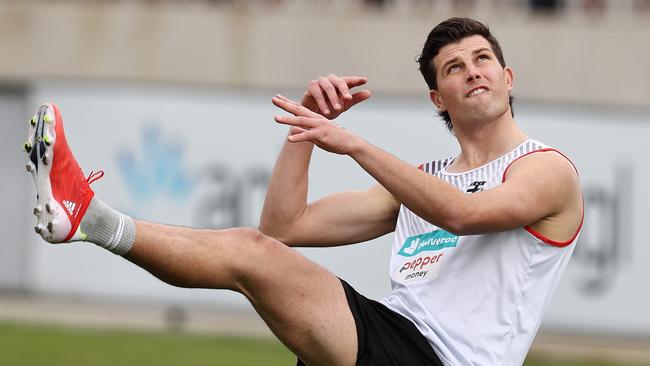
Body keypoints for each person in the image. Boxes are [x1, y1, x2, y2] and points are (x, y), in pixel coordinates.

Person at [24, 17, 582, 366]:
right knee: (252, 249)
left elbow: (463, 213)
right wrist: (307, 129)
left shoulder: (546, 170)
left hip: (439, 358)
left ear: (509, 78)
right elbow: (285, 229)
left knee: (249, 254)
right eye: (454, 67)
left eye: (483, 58)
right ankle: (87, 216)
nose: (472, 71)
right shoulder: (424, 181)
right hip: (388, 344)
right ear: (439, 99)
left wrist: (354, 145)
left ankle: (89, 218)